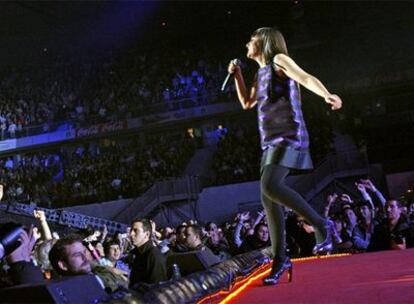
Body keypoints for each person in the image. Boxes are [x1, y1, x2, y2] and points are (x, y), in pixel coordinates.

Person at [228, 27, 342, 286]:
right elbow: (247, 102)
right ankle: (281, 260)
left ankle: (321, 223)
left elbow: (304, 77)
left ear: (264, 43)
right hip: (270, 141)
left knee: (270, 186)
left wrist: (327, 94)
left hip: (288, 134)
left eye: (251, 39)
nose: (247, 42)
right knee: (268, 200)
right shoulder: (260, 72)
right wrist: (237, 75)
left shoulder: (279, 59)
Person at [128, 219, 167, 288]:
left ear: (147, 234)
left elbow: (157, 288)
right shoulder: (137, 253)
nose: (131, 234)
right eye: (131, 230)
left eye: (135, 230)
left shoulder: (154, 256)